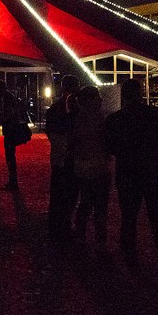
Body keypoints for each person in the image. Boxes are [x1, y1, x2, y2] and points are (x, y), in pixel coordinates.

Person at [103, 79, 158, 273]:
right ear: (140, 93)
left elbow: (109, 145)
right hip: (152, 169)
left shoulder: (115, 119)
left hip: (128, 171)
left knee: (129, 215)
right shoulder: (155, 114)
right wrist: (153, 153)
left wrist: (124, 154)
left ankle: (129, 252)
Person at [71, 86, 111, 246]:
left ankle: (86, 236)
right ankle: (95, 239)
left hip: (89, 165)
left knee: (89, 203)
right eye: (97, 97)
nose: (101, 100)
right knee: (95, 204)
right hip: (92, 166)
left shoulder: (84, 117)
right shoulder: (91, 119)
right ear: (89, 101)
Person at [46, 75, 80, 240]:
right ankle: (65, 223)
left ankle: (55, 223)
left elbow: (50, 133)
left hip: (58, 156)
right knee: (70, 191)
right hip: (69, 156)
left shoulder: (54, 108)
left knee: (57, 191)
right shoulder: (73, 109)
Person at [0, 79, 23, 191]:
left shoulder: (7, 98)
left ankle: (13, 182)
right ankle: (12, 181)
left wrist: (2, 120)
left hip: (10, 130)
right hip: (10, 129)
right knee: (10, 156)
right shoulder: (8, 97)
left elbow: (10, 113)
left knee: (10, 156)